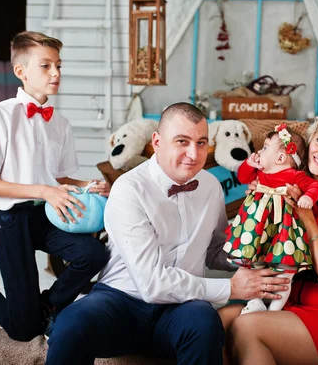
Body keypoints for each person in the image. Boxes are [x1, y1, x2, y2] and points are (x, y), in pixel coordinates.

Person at [45, 103, 291, 365]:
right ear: (157, 142)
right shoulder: (129, 189)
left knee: (204, 322)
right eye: (182, 141)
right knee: (70, 323)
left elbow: (215, 251)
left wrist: (257, 253)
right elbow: (152, 284)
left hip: (181, 308)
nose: (193, 153)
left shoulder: (210, 186)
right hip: (120, 300)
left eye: (201, 142)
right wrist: (230, 287)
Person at [0, 31, 110, 342]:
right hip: (11, 220)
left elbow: (58, 179)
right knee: (24, 331)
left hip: (47, 215)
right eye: (46, 66)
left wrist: (88, 184)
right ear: (21, 71)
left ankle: (47, 305)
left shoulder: (61, 124)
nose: (56, 73)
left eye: (58, 66)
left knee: (94, 254)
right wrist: (45, 191)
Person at [221, 113, 318, 365]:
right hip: (287, 299)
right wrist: (262, 200)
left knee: (246, 327)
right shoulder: (288, 180)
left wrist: (307, 218)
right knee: (218, 322)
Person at [224, 123, 318, 315]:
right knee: (253, 265)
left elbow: (314, 186)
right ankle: (255, 301)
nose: (259, 151)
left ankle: (275, 310)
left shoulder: (294, 175)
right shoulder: (260, 173)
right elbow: (243, 177)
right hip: (257, 230)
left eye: (265, 147)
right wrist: (248, 164)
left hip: (282, 230)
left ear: (280, 157)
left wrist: (307, 197)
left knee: (285, 271)